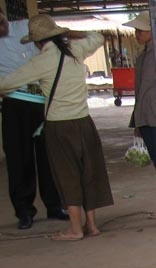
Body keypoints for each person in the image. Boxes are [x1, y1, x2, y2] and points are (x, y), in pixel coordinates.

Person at [0, 14, 114, 241]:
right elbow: (97, 36)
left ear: (36, 42)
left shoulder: (40, 62)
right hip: (84, 122)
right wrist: (70, 33)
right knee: (88, 172)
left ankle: (75, 229)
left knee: (67, 175)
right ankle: (91, 224)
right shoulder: (76, 51)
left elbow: (5, 84)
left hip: (58, 126)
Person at [0, 7, 67, 230]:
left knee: (48, 155)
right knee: (18, 158)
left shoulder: (27, 27)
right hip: (13, 103)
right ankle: (24, 211)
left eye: (0, 22)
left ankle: (54, 205)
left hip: (41, 102)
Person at [122, 11, 156, 227]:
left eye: (140, 29)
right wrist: (137, 121)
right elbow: (140, 90)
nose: (137, 34)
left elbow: (152, 89)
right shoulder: (144, 55)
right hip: (147, 118)